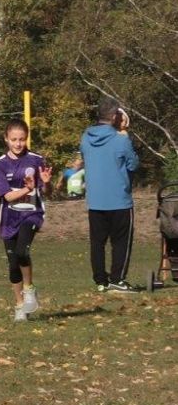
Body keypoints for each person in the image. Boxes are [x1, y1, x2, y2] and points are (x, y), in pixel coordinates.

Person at [0, 119, 53, 322]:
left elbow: (47, 192)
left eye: (22, 139)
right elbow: (8, 197)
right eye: (14, 140)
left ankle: (29, 289)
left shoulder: (36, 160)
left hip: (31, 214)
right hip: (9, 217)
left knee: (21, 251)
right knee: (12, 264)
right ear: (6, 139)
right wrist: (27, 188)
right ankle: (19, 305)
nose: (18, 144)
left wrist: (46, 184)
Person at [80, 98, 140, 292]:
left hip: (95, 201)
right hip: (119, 200)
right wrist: (124, 132)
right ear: (115, 116)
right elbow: (133, 164)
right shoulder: (121, 140)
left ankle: (100, 280)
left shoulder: (85, 137)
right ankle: (117, 279)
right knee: (121, 242)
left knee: (97, 243)